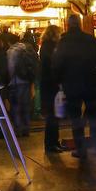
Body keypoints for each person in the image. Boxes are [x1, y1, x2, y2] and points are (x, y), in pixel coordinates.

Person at [52, 14, 96, 159]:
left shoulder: (63, 42)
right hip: (90, 82)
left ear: (68, 25)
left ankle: (81, 150)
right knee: (94, 115)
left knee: (75, 118)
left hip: (71, 84)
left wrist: (58, 81)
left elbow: (57, 64)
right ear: (80, 24)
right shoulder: (90, 40)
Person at [39, 24, 67, 153]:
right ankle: (51, 144)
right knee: (53, 116)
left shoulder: (46, 47)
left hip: (47, 85)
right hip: (51, 86)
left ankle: (53, 142)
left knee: (54, 115)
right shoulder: (51, 48)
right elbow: (53, 67)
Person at [7, 32, 39, 136]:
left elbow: (10, 68)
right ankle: (26, 128)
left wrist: (10, 79)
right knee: (26, 105)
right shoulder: (27, 48)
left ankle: (18, 129)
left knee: (16, 105)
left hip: (16, 81)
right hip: (26, 81)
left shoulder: (11, 50)